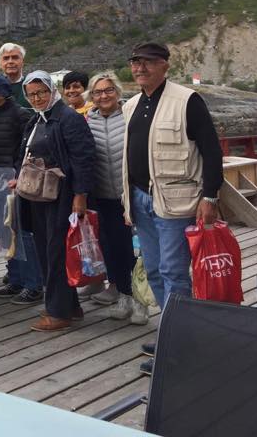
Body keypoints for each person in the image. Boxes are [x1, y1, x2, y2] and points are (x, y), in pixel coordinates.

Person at [120, 42, 223, 374]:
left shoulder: (188, 100)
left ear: (165, 65)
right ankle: (173, 332)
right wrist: (128, 200)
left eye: (148, 62)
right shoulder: (131, 105)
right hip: (140, 199)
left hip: (176, 201)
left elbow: (211, 150)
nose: (140, 68)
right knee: (153, 270)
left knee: (173, 272)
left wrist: (210, 197)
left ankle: (180, 346)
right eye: (136, 62)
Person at [12, 70, 95, 332]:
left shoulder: (68, 118)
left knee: (56, 252)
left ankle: (58, 312)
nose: (36, 98)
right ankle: (70, 306)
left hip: (62, 196)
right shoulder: (38, 119)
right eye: (31, 94)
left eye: (41, 92)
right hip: (39, 196)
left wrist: (80, 195)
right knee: (48, 250)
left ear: (51, 90)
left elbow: (83, 158)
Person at [85, 71, 147, 324]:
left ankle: (141, 301)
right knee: (112, 249)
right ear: (91, 96)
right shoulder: (87, 121)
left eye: (109, 90)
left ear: (118, 92)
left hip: (131, 196)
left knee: (139, 251)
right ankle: (123, 295)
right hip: (102, 196)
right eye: (98, 92)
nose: (104, 96)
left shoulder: (131, 115)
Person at [0, 74, 43, 305]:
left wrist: (19, 174)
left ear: (3, 93)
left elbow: (28, 149)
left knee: (22, 232)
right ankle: (15, 279)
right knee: (3, 232)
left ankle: (33, 284)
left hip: (14, 179)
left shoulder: (21, 115)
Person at [0, 42, 30, 111]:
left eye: (15, 57)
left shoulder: (32, 85)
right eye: (6, 58)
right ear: (0, 63)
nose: (10, 61)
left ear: (22, 62)